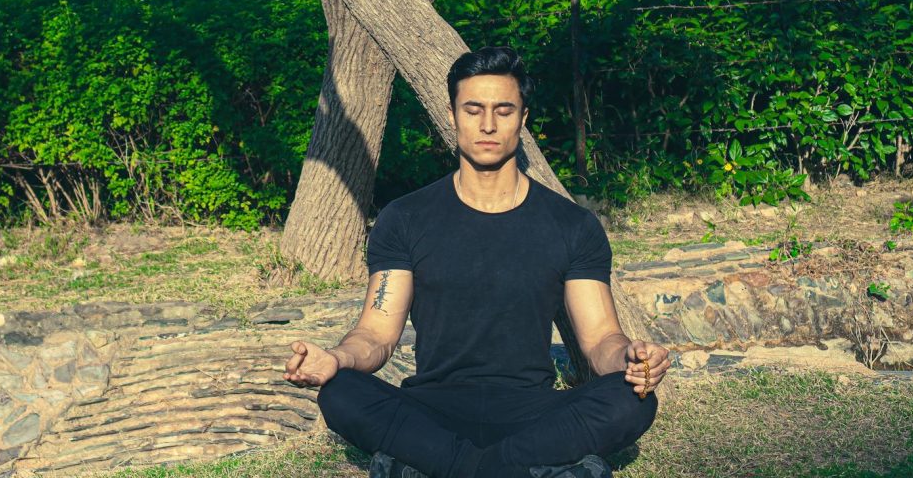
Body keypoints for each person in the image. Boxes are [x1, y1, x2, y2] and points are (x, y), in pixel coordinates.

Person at [283, 47, 669, 478]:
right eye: (473, 110)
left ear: (523, 119)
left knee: (631, 400)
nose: (488, 125)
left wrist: (631, 360)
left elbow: (600, 340)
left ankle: (444, 466)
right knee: (339, 393)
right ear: (453, 115)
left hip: (532, 411)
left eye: (503, 110)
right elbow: (376, 334)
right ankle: (519, 469)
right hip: (432, 409)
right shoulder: (406, 218)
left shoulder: (572, 225)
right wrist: (336, 358)